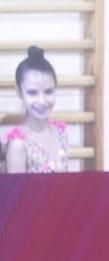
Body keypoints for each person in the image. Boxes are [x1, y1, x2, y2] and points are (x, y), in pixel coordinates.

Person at [4, 46, 69, 174]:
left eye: (48, 92)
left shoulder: (60, 132)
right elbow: (17, 194)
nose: (42, 101)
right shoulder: (18, 144)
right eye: (32, 93)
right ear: (19, 92)